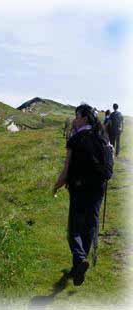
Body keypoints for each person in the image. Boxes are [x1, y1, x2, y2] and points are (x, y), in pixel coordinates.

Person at [53, 104, 112, 286]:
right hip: (98, 189)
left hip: (79, 189)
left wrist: (56, 186)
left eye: (76, 116)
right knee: (90, 227)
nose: (75, 119)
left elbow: (66, 170)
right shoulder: (102, 139)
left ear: (84, 118)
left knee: (75, 229)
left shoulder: (75, 139)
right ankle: (79, 265)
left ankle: (79, 259)